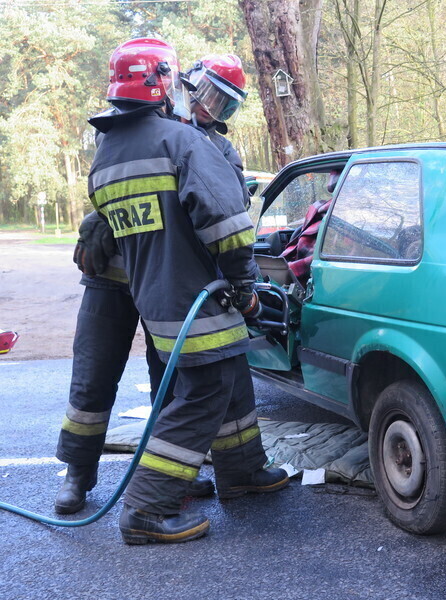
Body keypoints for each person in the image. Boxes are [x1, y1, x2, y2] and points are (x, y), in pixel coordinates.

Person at [86, 37, 287, 545]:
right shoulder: (181, 142)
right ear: (170, 83)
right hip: (199, 296)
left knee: (229, 376)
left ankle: (241, 472)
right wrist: (245, 290)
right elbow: (230, 229)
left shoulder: (109, 153)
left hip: (156, 301)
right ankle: (147, 508)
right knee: (204, 394)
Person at [53, 53, 253, 517]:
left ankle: (171, 476)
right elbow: (112, 187)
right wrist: (96, 219)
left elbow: (229, 205)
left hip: (167, 279)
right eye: (209, 95)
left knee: (172, 378)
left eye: (225, 105)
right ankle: (77, 474)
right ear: (183, 85)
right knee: (93, 375)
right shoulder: (132, 128)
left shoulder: (210, 145)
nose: (212, 109)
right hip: (111, 279)